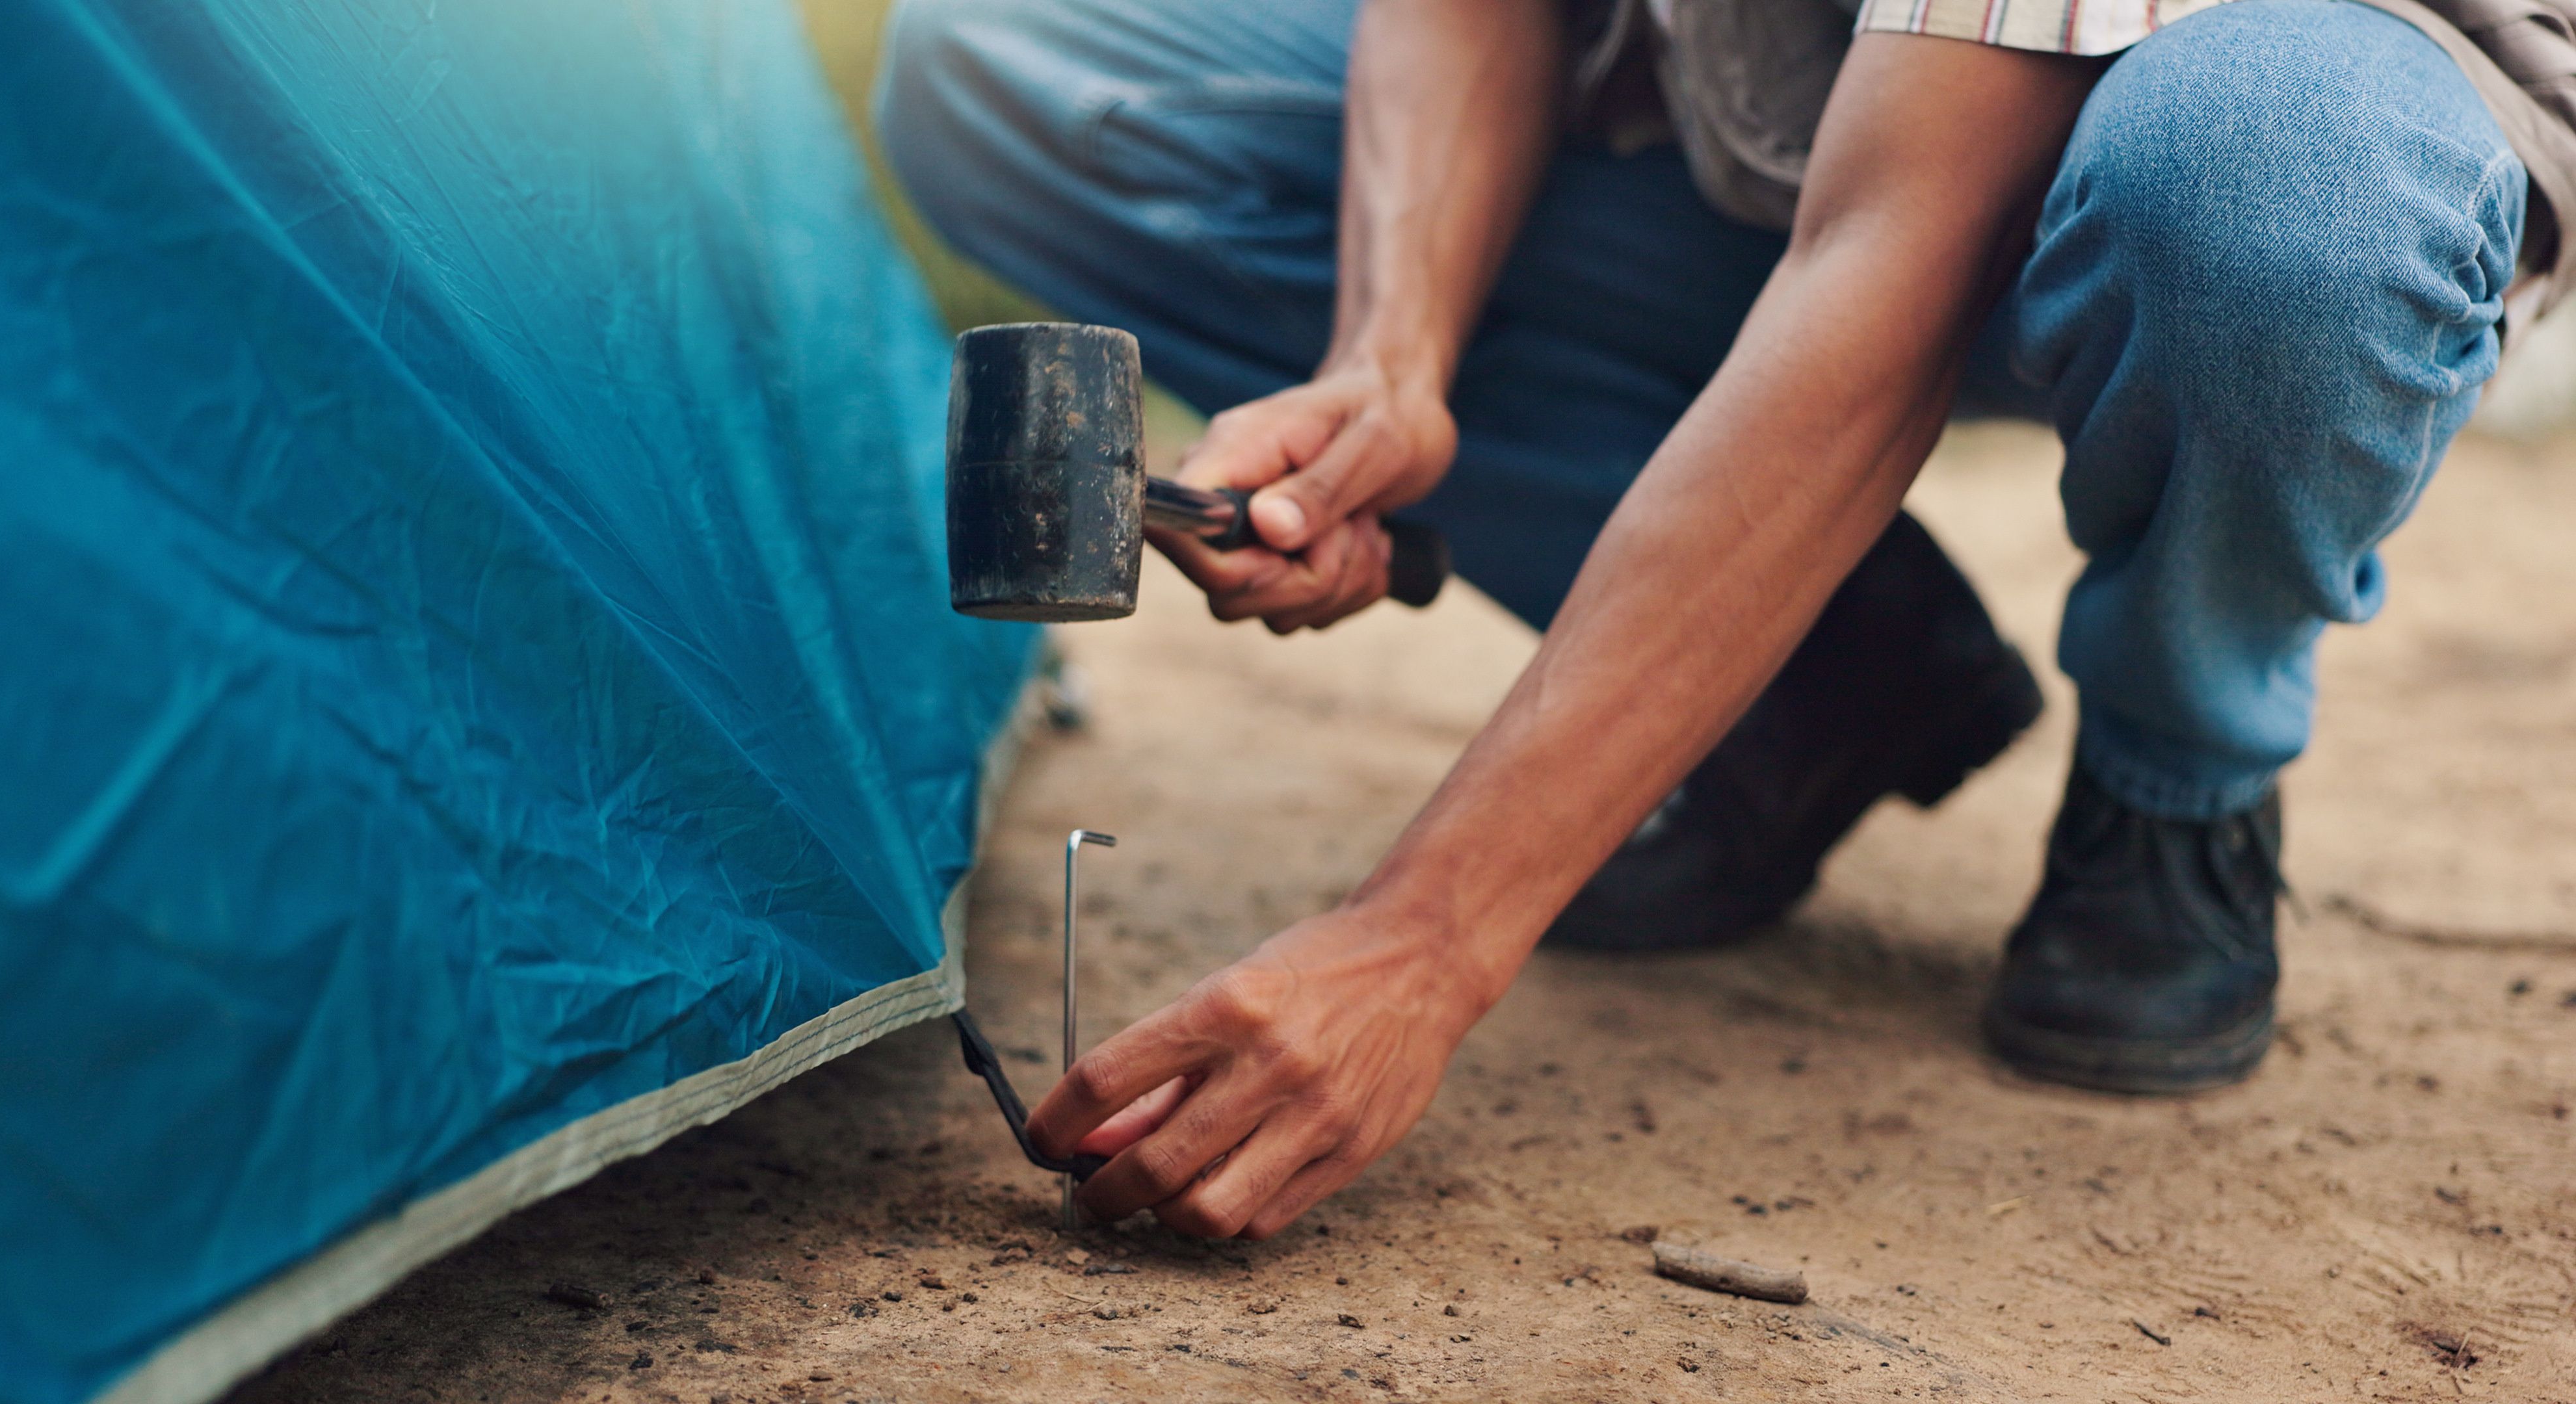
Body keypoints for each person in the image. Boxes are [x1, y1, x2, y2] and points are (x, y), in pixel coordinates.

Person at [876, 0, 2576, 1239]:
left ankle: (2179, 768)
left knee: (2270, 188)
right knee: (1018, 71)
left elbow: (1898, 254)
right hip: (1782, 122)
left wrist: (1423, 940)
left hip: (2253, 149)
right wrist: (1390, 360)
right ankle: (1820, 670)